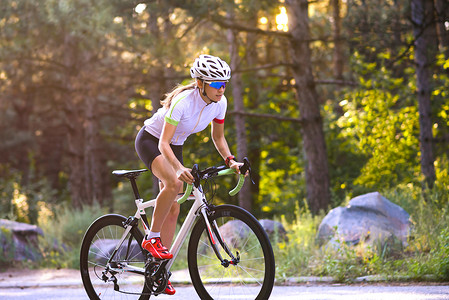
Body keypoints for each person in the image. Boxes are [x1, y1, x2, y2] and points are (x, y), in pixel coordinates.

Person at [134, 54, 242, 295]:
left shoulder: (220, 103)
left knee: (175, 205)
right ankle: (151, 238)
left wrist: (231, 161)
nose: (221, 89)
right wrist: (179, 168)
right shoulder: (183, 101)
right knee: (173, 184)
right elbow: (163, 144)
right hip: (152, 140)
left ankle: (159, 270)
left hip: (175, 144)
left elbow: (218, 138)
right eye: (216, 84)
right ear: (201, 83)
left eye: (224, 84)